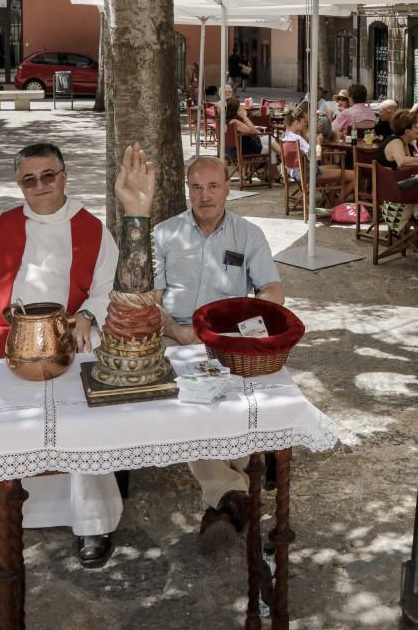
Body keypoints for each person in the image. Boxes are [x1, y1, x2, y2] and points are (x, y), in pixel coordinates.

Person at [0, 143, 121, 568]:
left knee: (84, 407)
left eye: (48, 175)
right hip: (4, 334)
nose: (40, 186)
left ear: (65, 176)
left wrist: (89, 313)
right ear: (19, 185)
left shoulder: (92, 229)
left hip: (70, 335)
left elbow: (108, 286)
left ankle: (90, 518)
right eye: (28, 180)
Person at [152, 154, 284, 548]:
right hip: (174, 337)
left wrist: (259, 320)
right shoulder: (164, 233)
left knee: (241, 399)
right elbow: (149, 301)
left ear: (228, 187)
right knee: (192, 405)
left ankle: (228, 498)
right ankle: (235, 493)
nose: (205, 196)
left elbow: (271, 289)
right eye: (196, 187)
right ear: (187, 190)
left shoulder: (248, 234)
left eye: (213, 186)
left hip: (229, 342)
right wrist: (176, 330)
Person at [376, 110, 418, 221]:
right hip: (396, 195)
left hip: (393, 191)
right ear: (407, 131)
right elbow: (402, 161)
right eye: (416, 126)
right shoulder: (396, 142)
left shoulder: (404, 143)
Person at [282, 105, 354, 203]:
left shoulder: (285, 137)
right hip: (310, 174)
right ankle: (337, 205)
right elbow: (317, 157)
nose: (305, 125)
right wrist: (318, 143)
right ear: (296, 122)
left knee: (336, 167)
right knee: (355, 175)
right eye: (304, 122)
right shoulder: (297, 139)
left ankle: (329, 197)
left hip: (295, 173)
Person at [223, 97, 263, 163]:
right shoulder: (234, 121)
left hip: (229, 150)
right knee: (270, 140)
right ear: (236, 110)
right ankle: (281, 157)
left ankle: (269, 166)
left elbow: (251, 130)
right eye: (240, 107)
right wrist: (245, 116)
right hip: (242, 150)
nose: (242, 107)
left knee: (269, 142)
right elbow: (252, 131)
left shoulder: (225, 120)